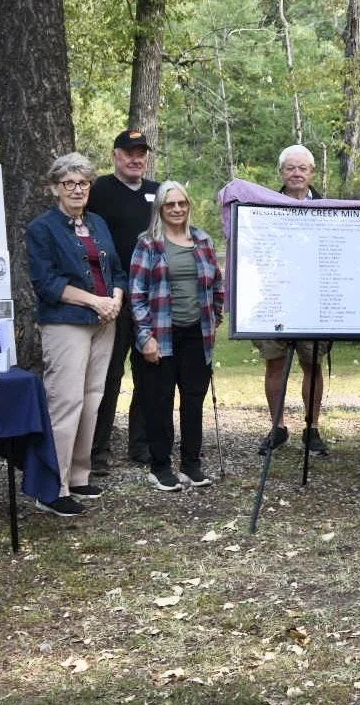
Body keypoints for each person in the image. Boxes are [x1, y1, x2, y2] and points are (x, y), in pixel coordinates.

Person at [25, 153, 126, 517]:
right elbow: (47, 283)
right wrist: (95, 301)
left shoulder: (97, 223)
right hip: (66, 322)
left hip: (105, 321)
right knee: (65, 402)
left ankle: (79, 475)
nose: (77, 189)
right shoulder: (42, 228)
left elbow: (116, 269)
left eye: (83, 182)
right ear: (55, 188)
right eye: (69, 183)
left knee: (92, 397)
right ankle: (53, 486)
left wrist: (114, 298)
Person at [130, 182, 225, 492]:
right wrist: (146, 337)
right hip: (162, 335)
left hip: (197, 334)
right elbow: (137, 294)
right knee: (159, 401)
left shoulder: (202, 240)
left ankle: (191, 464)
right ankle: (160, 467)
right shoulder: (148, 244)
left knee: (193, 401)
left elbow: (216, 286)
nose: (176, 209)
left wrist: (216, 317)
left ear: (188, 206)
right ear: (160, 208)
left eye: (182, 203)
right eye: (169, 204)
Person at [87, 129, 160, 473]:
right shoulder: (98, 190)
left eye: (141, 153)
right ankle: (97, 449)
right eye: (129, 152)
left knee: (149, 372)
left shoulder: (157, 193)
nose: (136, 158)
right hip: (111, 298)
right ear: (116, 155)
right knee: (108, 374)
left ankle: (141, 445)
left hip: (149, 299)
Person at [255, 144, 333, 456]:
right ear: (282, 173)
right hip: (274, 301)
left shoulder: (330, 209)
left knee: (311, 363)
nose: (297, 173)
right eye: (291, 168)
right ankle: (277, 427)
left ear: (312, 172)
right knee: (275, 364)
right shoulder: (263, 209)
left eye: (303, 168)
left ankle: (312, 429)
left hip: (315, 302)